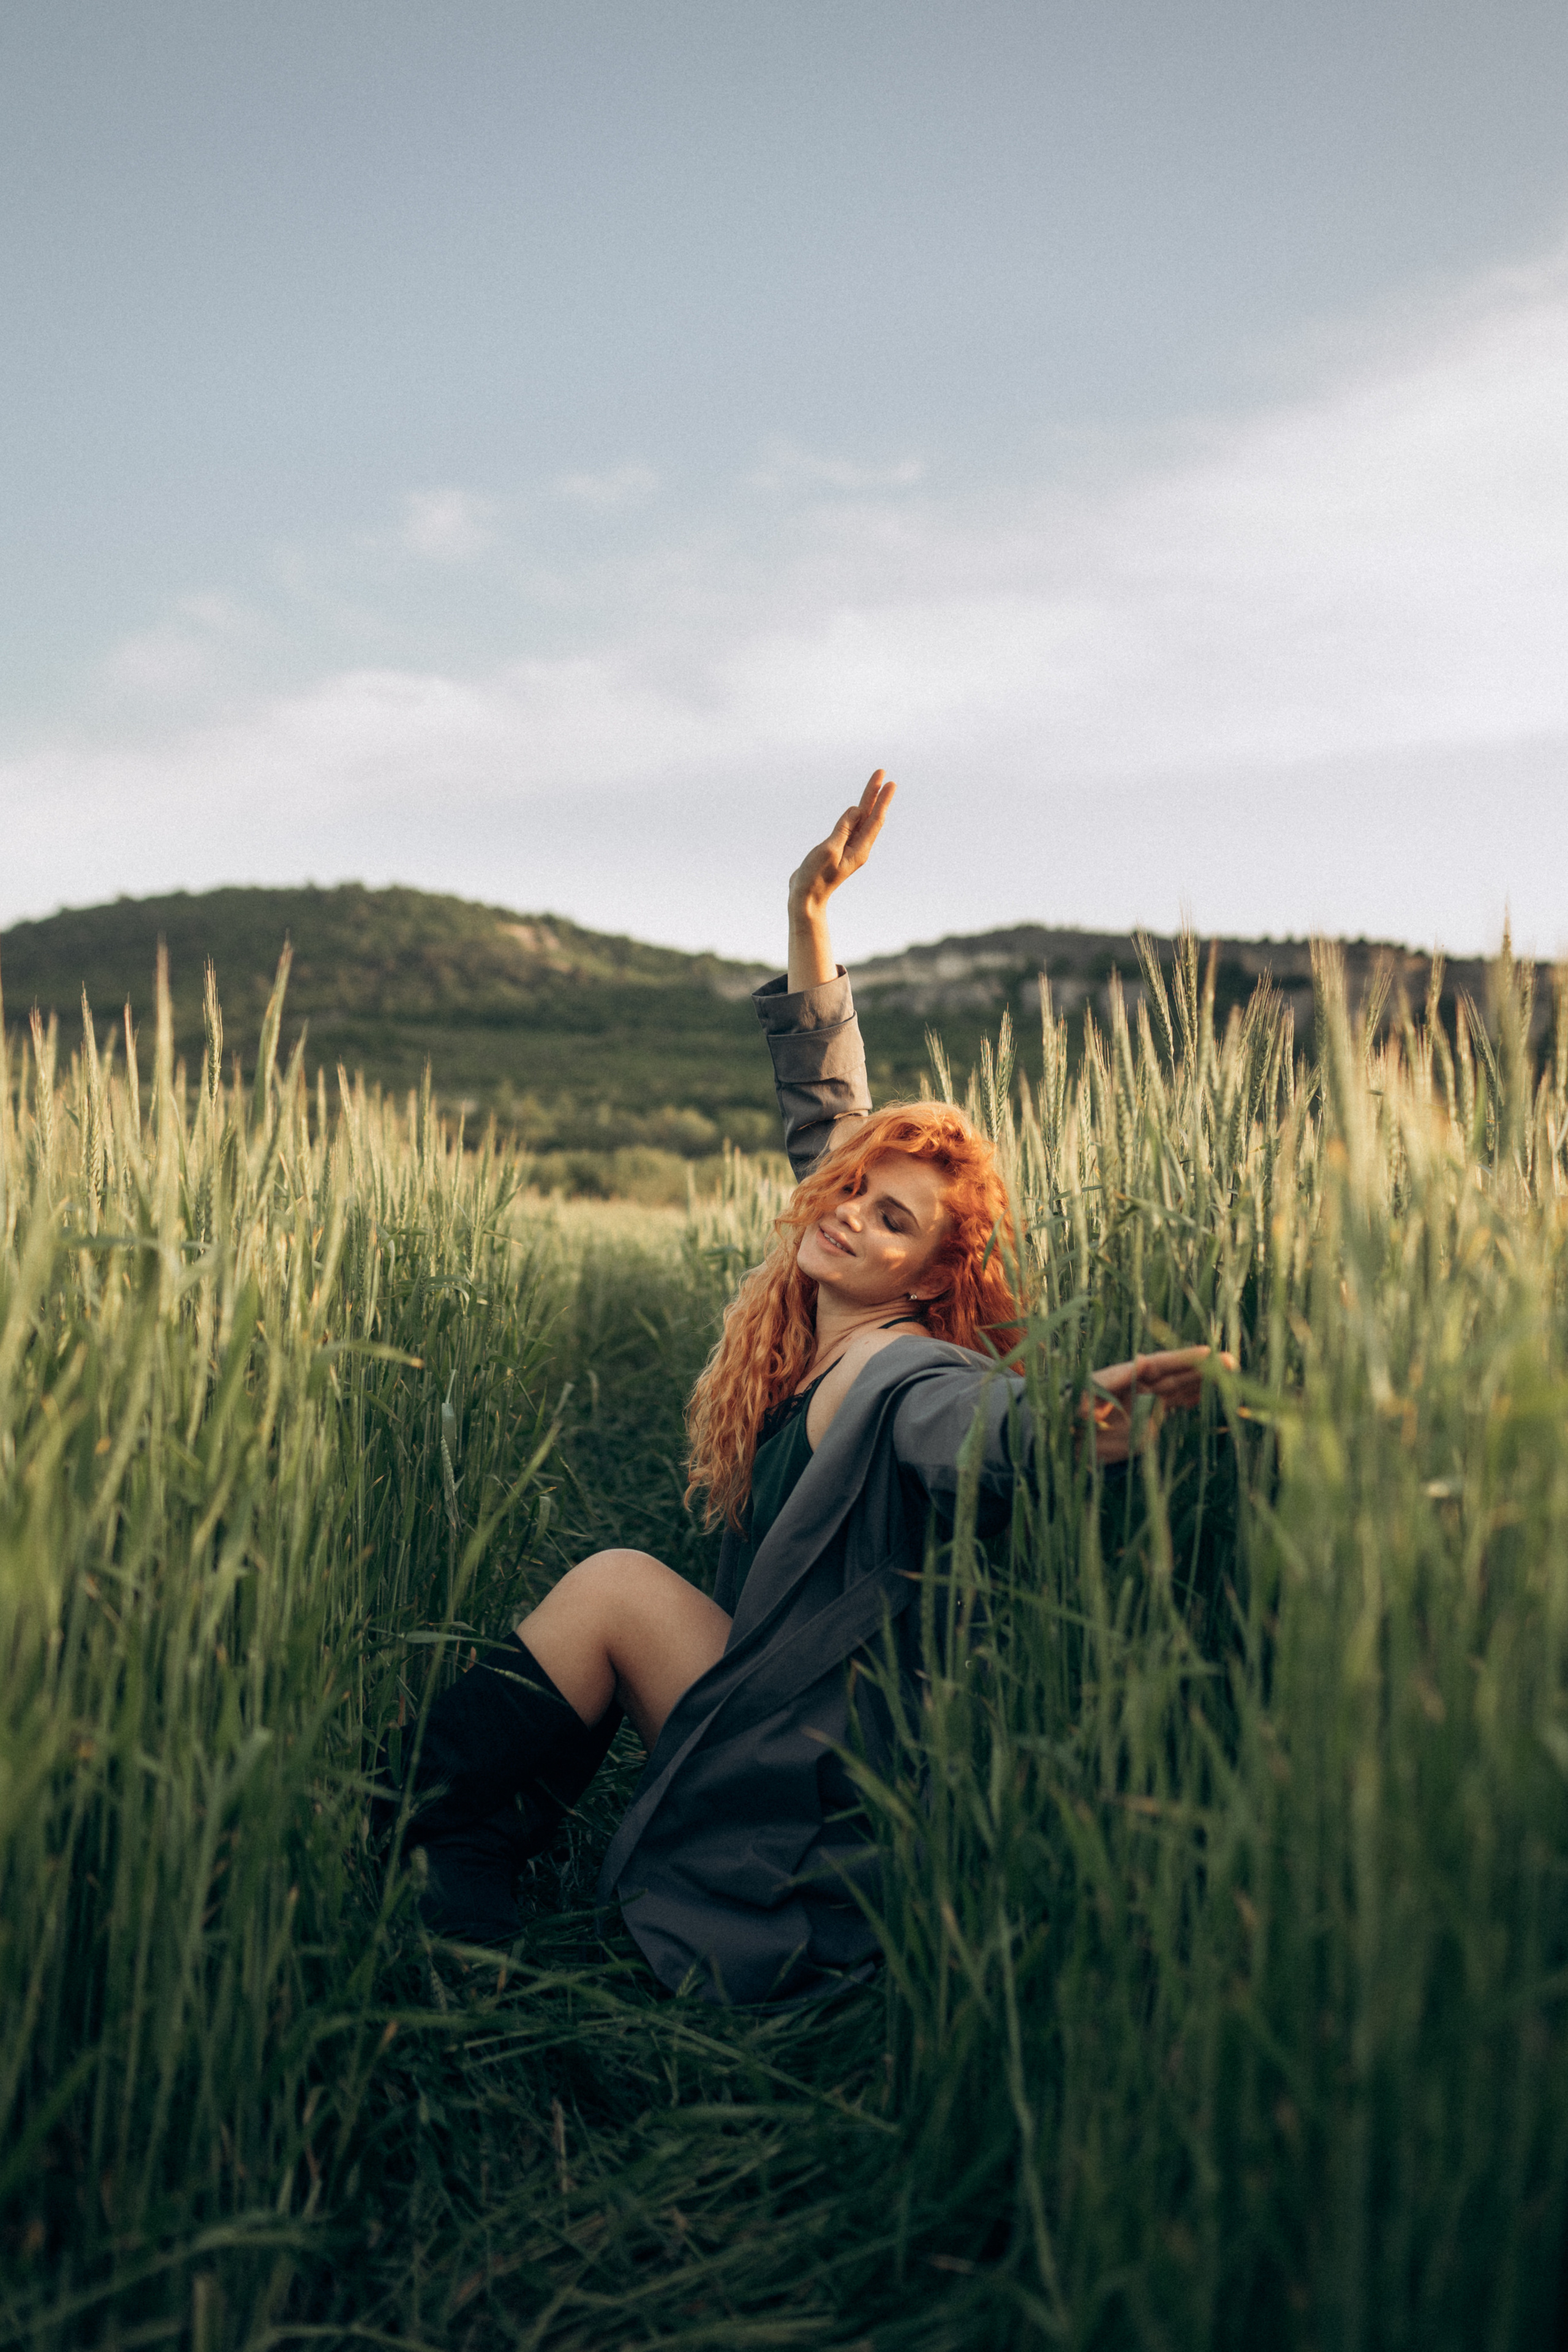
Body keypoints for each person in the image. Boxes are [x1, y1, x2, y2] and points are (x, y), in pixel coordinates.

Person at [393, 773, 1218, 2002]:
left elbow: (972, 1430)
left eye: (893, 1218)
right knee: (617, 1591)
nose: (848, 1215)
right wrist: (809, 913)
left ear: (932, 1272)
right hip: (783, 1717)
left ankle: (434, 1843)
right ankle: (467, 1852)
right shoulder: (834, 1298)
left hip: (818, 1774)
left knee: (615, 1587)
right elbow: (827, 1114)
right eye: (851, 1195)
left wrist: (1062, 1425)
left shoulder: (901, 1366)